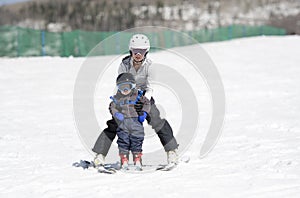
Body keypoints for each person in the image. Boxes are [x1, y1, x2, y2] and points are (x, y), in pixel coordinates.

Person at [93, 34, 179, 168]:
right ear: (130, 51)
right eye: (135, 51)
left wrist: (143, 101)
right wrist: (117, 101)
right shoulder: (124, 64)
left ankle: (172, 151)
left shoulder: (150, 66)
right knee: (115, 123)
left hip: (144, 96)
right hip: (126, 95)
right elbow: (119, 83)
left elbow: (150, 87)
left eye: (142, 51)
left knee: (156, 119)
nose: (138, 54)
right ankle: (100, 155)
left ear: (147, 52)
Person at [109, 72, 150, 170]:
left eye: (127, 87)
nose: (125, 90)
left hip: (136, 122)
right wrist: (116, 114)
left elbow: (147, 103)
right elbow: (112, 106)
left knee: (137, 140)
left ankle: (137, 158)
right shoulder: (118, 98)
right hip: (123, 123)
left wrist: (144, 113)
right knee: (123, 140)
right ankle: (124, 159)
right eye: (122, 87)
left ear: (133, 86)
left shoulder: (138, 96)